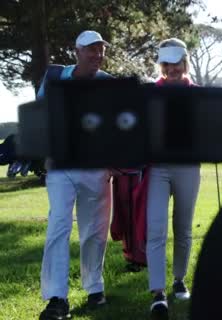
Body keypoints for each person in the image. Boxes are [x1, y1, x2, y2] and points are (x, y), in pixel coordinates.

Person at [38, 30, 113, 320]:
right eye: (90, 50)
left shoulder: (108, 84)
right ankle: (57, 299)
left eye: (101, 50)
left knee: (94, 230)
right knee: (58, 224)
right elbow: (42, 116)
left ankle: (94, 287)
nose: (96, 55)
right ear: (77, 51)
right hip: (61, 166)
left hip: (95, 167)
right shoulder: (55, 77)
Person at [147, 38, 201, 320]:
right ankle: (158, 293)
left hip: (188, 167)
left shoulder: (197, 94)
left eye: (176, 63)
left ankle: (179, 279)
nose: (172, 69)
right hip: (158, 168)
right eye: (166, 64)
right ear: (162, 65)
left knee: (183, 228)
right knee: (155, 228)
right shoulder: (151, 93)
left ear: (185, 63)